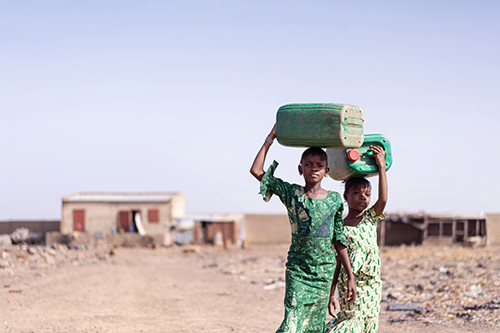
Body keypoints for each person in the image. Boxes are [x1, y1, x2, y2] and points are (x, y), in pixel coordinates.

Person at [250, 124, 357, 333]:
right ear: (300, 169)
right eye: (308, 164)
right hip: (298, 271)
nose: (314, 168)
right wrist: (270, 138)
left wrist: (350, 275)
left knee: (313, 328)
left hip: (323, 274)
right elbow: (256, 171)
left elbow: (339, 240)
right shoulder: (292, 193)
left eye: (319, 165)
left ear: (327, 171)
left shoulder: (335, 200)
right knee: (291, 324)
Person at [326, 145, 388, 333]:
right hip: (350, 284)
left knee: (368, 323)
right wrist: (332, 292)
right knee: (352, 323)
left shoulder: (370, 217)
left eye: (367, 194)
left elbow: (383, 200)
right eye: (357, 193)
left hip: (372, 284)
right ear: (346, 196)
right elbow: (337, 261)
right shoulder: (340, 226)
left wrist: (381, 167)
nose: (363, 198)